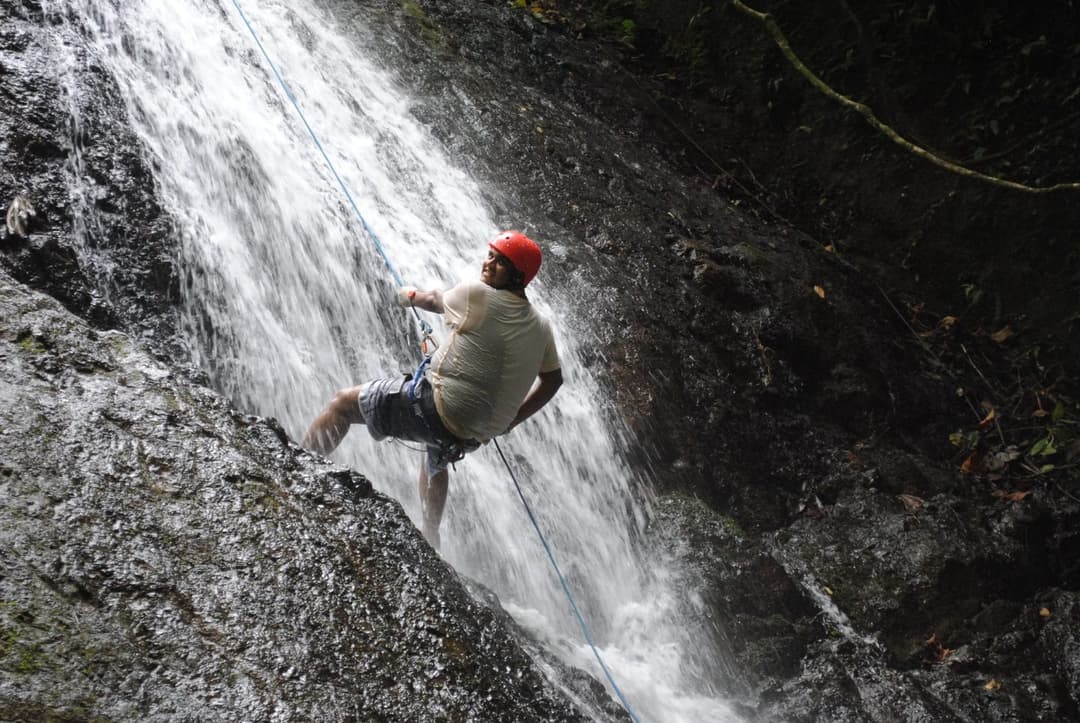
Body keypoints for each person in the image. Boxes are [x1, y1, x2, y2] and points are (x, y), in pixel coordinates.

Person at [302, 230, 563, 549]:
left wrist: (408, 296)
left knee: (343, 403)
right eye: (491, 255)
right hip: (472, 434)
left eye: (500, 262)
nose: (489, 263)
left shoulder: (477, 295)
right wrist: (512, 421)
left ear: (518, 276)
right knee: (437, 448)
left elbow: (435, 300)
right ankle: (430, 532)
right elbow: (553, 380)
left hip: (434, 409)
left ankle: (295, 467)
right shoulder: (541, 326)